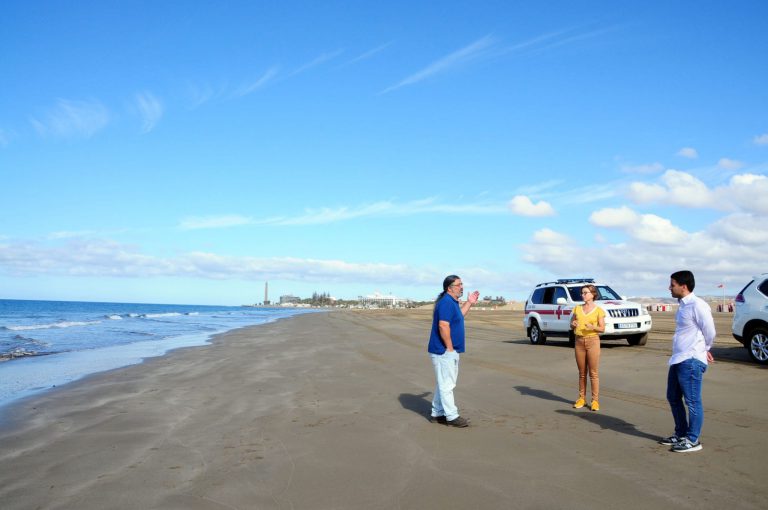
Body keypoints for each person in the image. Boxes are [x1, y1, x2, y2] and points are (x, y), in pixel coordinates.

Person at [659, 270, 716, 453]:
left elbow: (710, 332)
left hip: (691, 360)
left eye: (672, 284)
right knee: (673, 397)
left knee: (692, 401)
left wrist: (705, 349)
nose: (670, 287)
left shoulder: (697, 305)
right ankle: (681, 433)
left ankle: (693, 439)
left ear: (683, 286)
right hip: (678, 359)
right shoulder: (682, 305)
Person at [428, 275, 480, 427]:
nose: (462, 287)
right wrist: (449, 348)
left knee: (442, 383)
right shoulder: (446, 303)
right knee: (447, 384)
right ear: (449, 288)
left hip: (446, 350)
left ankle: (437, 413)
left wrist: (469, 302)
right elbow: (443, 326)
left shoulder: (452, 302)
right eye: (459, 284)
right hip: (443, 351)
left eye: (462, 284)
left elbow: (459, 316)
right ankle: (451, 416)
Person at [569, 284, 606, 411]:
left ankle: (595, 401)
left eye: (585, 293)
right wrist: (573, 324)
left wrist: (593, 327)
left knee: (593, 373)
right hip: (579, 341)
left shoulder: (598, 310)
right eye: (582, 293)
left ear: (593, 294)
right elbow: (571, 324)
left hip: (593, 341)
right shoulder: (577, 309)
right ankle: (581, 398)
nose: (583, 295)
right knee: (582, 373)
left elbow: (602, 328)